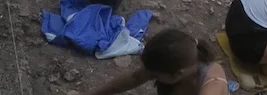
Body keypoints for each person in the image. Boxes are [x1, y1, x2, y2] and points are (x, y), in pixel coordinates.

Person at [82, 28, 229, 95]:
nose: (150, 76)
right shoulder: (179, 61)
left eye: (156, 76)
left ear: (178, 74)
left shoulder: (212, 85)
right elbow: (135, 77)